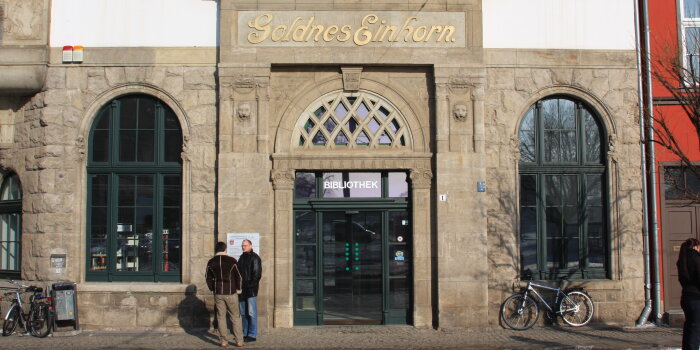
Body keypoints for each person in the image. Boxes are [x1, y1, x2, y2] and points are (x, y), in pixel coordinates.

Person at [206, 241, 244, 348]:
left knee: (221, 317)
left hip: (218, 292)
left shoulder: (211, 262)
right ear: (225, 249)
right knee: (235, 317)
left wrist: (213, 288)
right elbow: (239, 277)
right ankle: (239, 340)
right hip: (231, 291)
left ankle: (223, 341)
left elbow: (207, 278)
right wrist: (239, 289)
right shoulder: (232, 261)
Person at [678, 237, 700, 350]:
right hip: (696, 298)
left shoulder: (683, 259)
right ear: (696, 247)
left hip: (686, 297)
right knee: (696, 329)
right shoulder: (696, 258)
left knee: (690, 327)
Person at [238, 239, 262, 342]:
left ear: (251, 246)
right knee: (243, 313)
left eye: (245, 245)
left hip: (251, 290)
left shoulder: (255, 258)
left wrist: (248, 286)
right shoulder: (241, 258)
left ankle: (252, 334)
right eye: (242, 246)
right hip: (242, 290)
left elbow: (256, 275)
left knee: (251, 313)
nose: (243, 247)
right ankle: (245, 332)